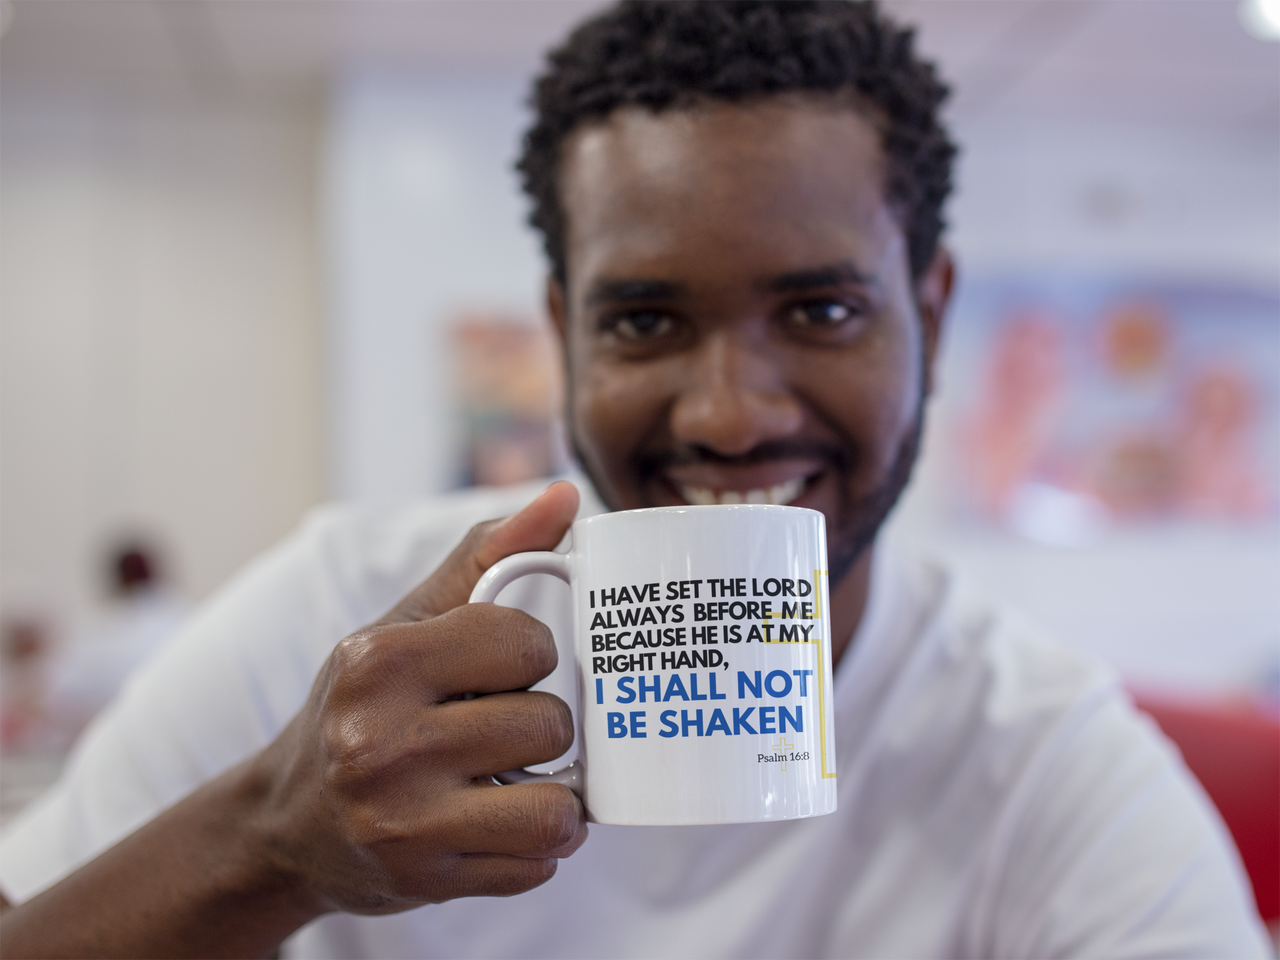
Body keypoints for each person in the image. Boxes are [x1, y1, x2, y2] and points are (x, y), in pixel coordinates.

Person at [0, 0, 1270, 956]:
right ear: (562, 333)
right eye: (645, 322)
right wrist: (275, 847)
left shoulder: (1038, 760)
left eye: (821, 311)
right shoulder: (346, 614)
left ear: (928, 318)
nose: (728, 413)